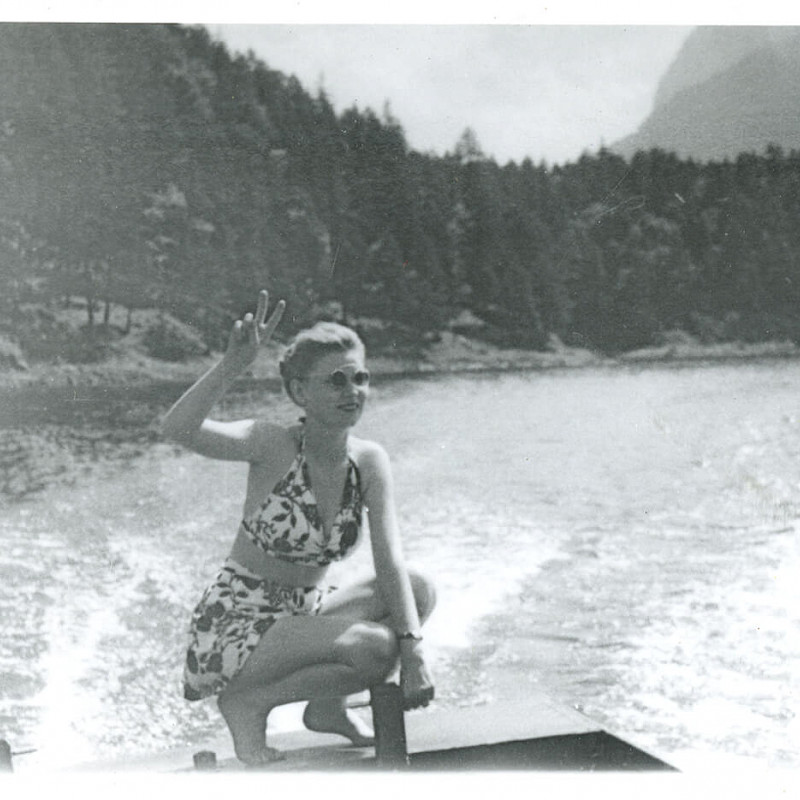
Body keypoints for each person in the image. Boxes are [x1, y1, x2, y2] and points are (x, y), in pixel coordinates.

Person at [161, 290, 436, 766]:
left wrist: (416, 653)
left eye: (360, 378)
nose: (352, 392)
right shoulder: (270, 445)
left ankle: (327, 709)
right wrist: (233, 364)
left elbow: (388, 559)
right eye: (335, 381)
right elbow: (178, 429)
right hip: (239, 624)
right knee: (375, 651)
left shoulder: (369, 461)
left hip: (302, 615)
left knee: (417, 589)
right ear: (298, 392)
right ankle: (249, 702)